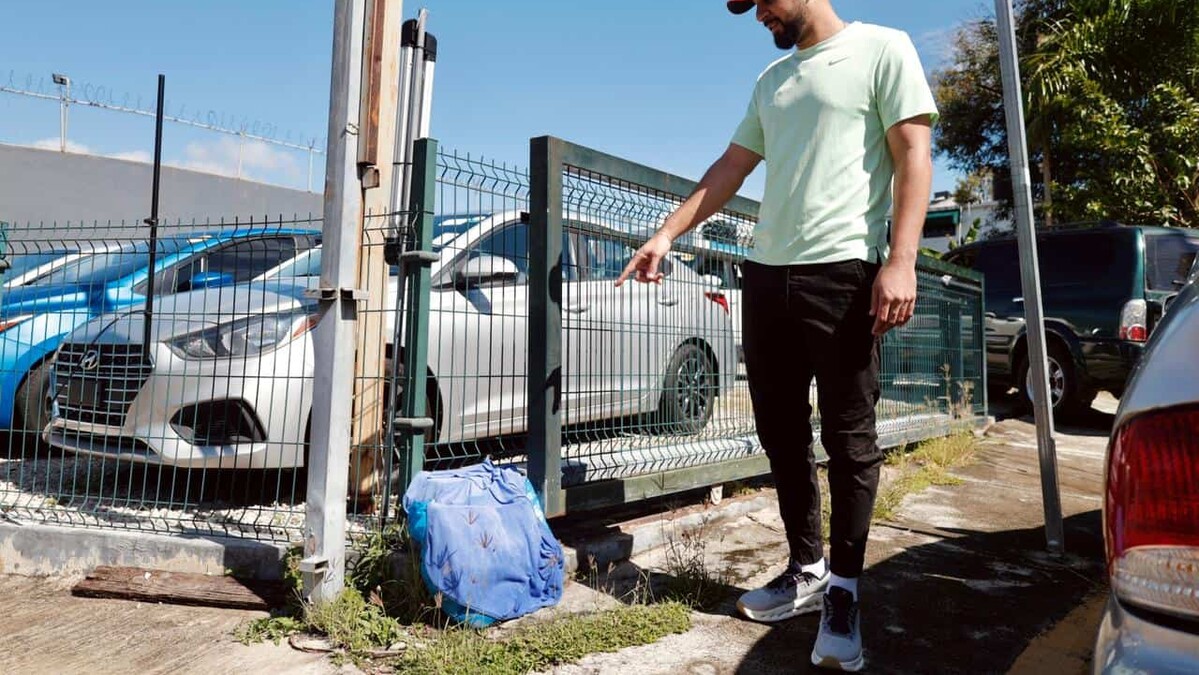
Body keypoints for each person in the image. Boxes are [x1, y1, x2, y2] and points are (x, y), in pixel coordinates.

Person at [615, 0, 938, 670]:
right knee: (781, 433)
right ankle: (806, 567)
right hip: (766, 277)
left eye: (762, 0)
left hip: (843, 272)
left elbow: (912, 153)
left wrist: (901, 259)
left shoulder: (883, 48)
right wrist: (666, 233)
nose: (758, 13)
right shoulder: (772, 80)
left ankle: (844, 592)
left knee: (849, 438)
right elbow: (730, 167)